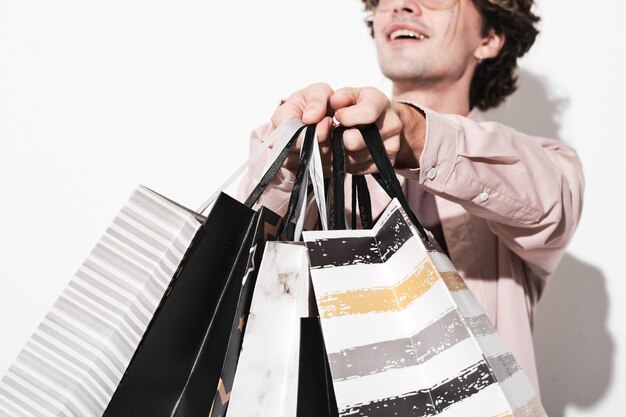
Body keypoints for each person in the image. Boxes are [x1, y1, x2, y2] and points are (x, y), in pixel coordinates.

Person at [239, 0, 584, 395]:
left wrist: (415, 135)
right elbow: (243, 269)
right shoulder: (330, 161)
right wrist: (288, 156)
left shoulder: (544, 166)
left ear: (489, 37)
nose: (402, 5)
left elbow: (545, 199)